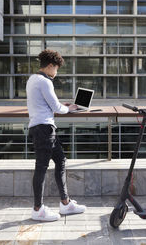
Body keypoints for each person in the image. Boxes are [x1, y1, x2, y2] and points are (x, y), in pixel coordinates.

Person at [26, 49, 86, 221]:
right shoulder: (45, 82)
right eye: (56, 69)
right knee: (41, 168)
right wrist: (69, 108)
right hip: (44, 129)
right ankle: (38, 209)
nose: (56, 72)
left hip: (42, 128)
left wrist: (62, 105)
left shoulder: (33, 79)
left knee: (60, 160)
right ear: (50, 66)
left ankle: (66, 204)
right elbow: (56, 108)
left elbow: (46, 103)